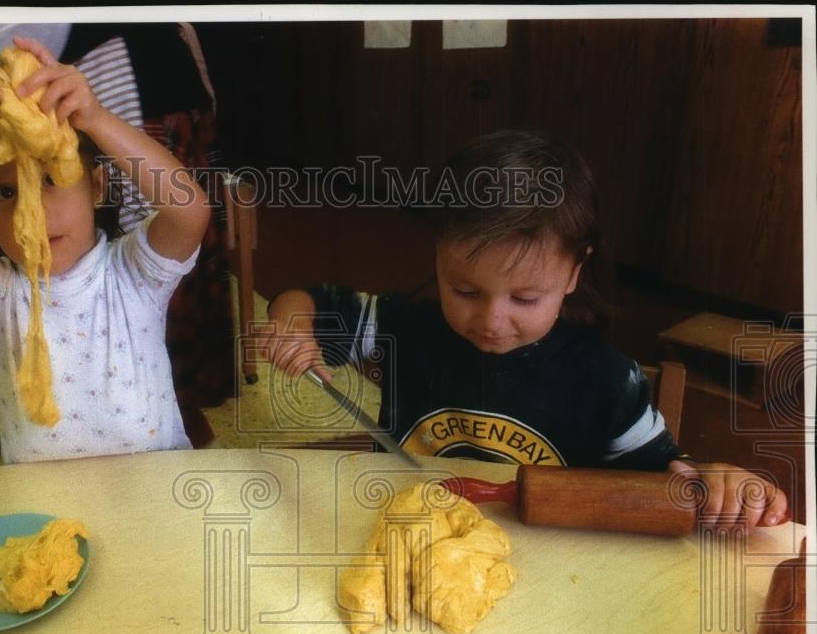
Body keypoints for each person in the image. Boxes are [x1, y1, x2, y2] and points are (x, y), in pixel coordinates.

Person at [263, 129, 787, 532]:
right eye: (465, 291)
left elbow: (665, 479)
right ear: (438, 257)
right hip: (401, 534)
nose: (490, 321)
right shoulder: (406, 328)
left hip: (552, 579)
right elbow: (308, 299)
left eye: (525, 298)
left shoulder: (606, 382)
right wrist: (292, 324)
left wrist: (720, 482)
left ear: (574, 272)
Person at [0, 36, 211, 464]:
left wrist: (96, 119)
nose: (33, 209)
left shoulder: (133, 273)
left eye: (52, 179)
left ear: (96, 187)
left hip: (150, 481)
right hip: (43, 500)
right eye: (6, 191)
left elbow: (190, 211)